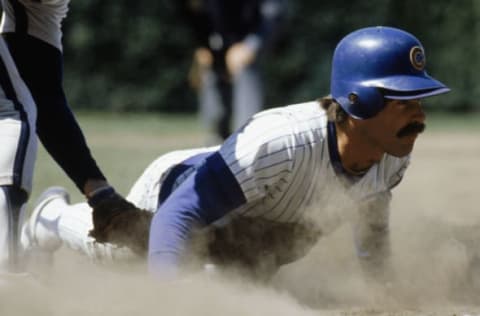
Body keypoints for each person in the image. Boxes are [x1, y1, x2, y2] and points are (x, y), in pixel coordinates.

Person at [21, 26, 450, 283]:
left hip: (249, 225)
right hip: (181, 192)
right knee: (135, 252)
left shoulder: (392, 151)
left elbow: (371, 218)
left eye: (420, 99)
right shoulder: (281, 141)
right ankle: (51, 218)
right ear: (360, 102)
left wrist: (385, 288)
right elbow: (180, 215)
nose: (419, 114)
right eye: (404, 100)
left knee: (250, 278)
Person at [0, 0, 144, 272]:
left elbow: (42, 92)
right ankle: (6, 269)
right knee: (14, 114)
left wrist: (101, 195)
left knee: (19, 106)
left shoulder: (42, 9)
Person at [183, 0, 287, 141]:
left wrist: (251, 45)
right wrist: (202, 46)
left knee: (244, 68)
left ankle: (249, 139)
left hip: (252, 34)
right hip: (217, 41)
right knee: (211, 75)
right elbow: (196, 14)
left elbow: (274, 14)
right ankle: (216, 140)